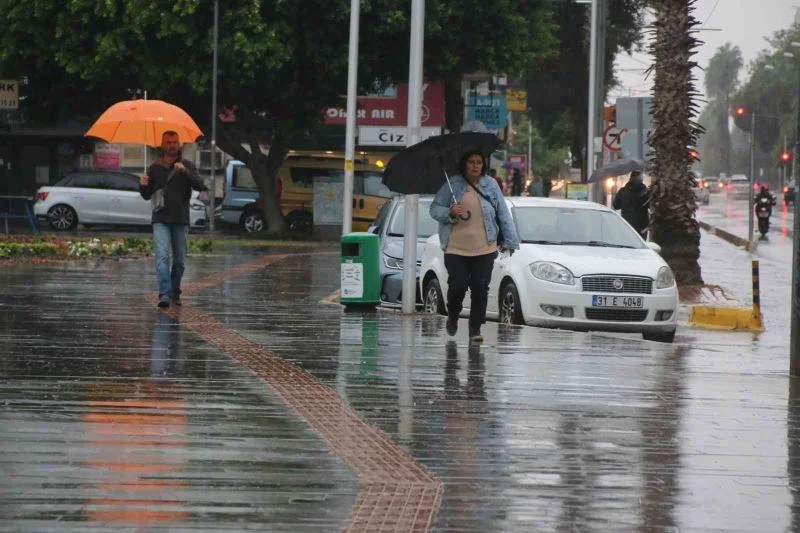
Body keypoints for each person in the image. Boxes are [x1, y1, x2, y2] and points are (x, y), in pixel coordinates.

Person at [430, 150, 520, 344]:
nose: (475, 165)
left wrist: (511, 240)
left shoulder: (491, 185)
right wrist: (450, 211)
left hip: (484, 248)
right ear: (465, 163)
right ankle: (453, 314)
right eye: (471, 161)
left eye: (479, 162)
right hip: (456, 248)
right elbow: (434, 209)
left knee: (480, 288)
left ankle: (475, 329)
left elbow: (503, 213)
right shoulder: (452, 184)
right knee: (458, 286)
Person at [139, 131, 208, 308]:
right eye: (168, 142)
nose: (172, 145)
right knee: (162, 257)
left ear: (179, 144)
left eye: (175, 142)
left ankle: (175, 291)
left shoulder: (187, 165)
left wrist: (184, 172)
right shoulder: (154, 167)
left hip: (181, 219)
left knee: (179, 260)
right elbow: (147, 196)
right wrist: (143, 185)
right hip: (161, 218)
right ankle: (164, 294)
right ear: (162, 145)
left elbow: (201, 186)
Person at [612, 170, 649, 236]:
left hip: (627, 224)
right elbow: (650, 206)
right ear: (641, 180)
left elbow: (616, 206)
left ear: (630, 179)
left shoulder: (623, 191)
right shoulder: (646, 192)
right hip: (642, 225)